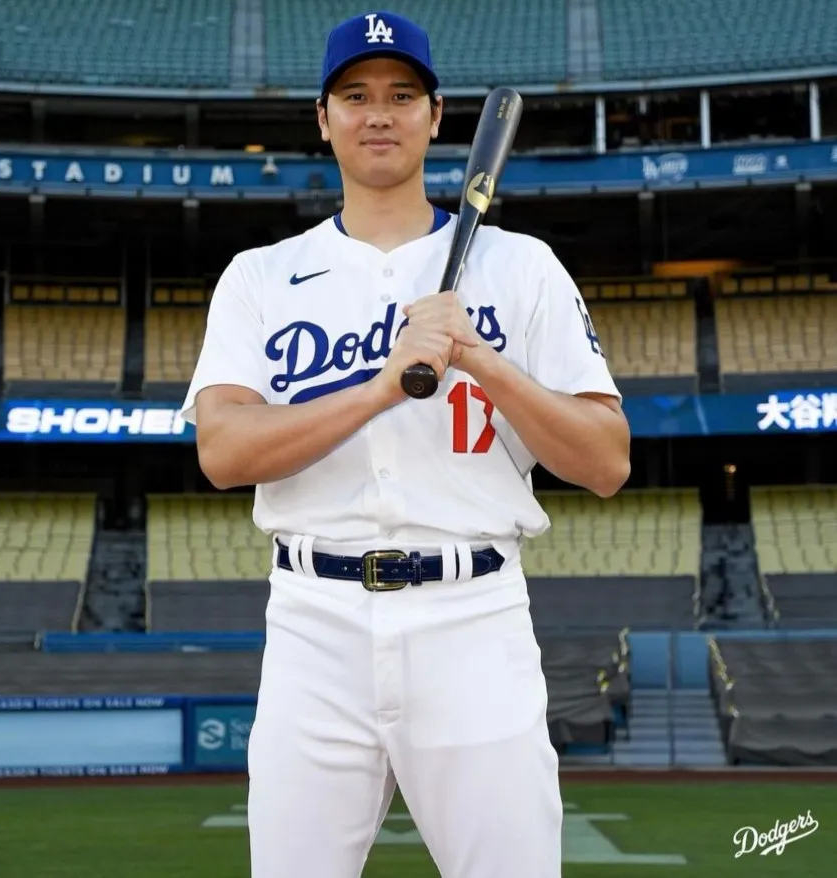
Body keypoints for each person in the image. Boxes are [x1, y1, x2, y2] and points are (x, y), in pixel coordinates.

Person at [181, 10, 630, 878]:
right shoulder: (261, 275)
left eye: (401, 95)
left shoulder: (519, 265)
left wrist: (481, 360)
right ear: (323, 117)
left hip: (473, 618)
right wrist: (383, 385)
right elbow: (223, 453)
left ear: (435, 116)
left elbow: (605, 462)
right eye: (355, 95)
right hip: (314, 623)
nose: (377, 113)